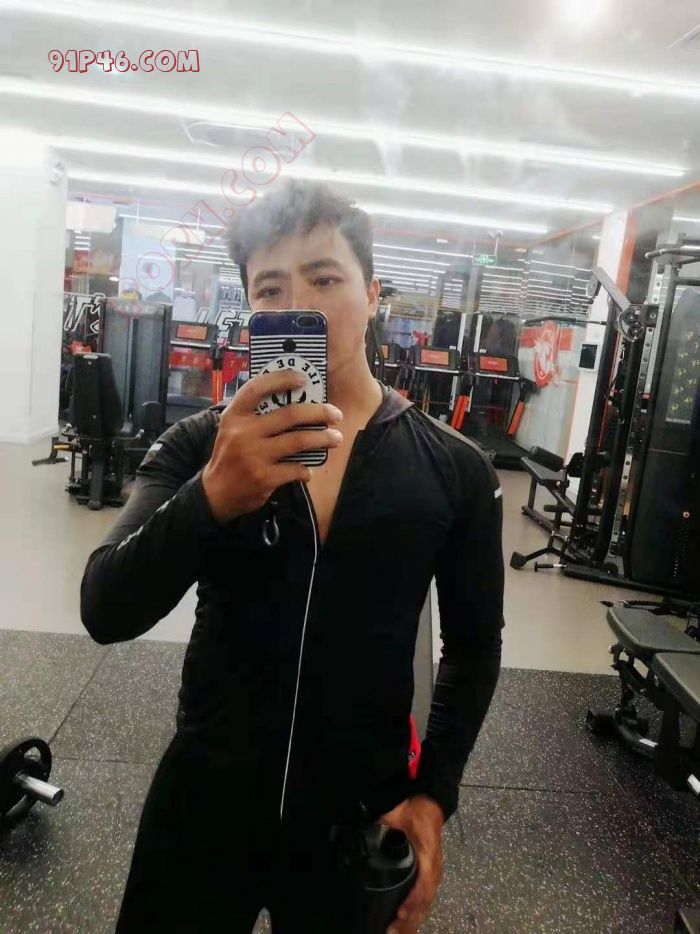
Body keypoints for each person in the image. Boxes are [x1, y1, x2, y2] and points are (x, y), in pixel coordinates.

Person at [81, 180, 504, 934]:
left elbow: (474, 646)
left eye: (325, 278)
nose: (300, 305)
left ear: (371, 293)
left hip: (356, 815)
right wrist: (213, 496)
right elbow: (105, 608)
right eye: (271, 289)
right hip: (205, 801)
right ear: (252, 308)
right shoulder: (199, 447)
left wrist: (434, 794)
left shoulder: (453, 469)